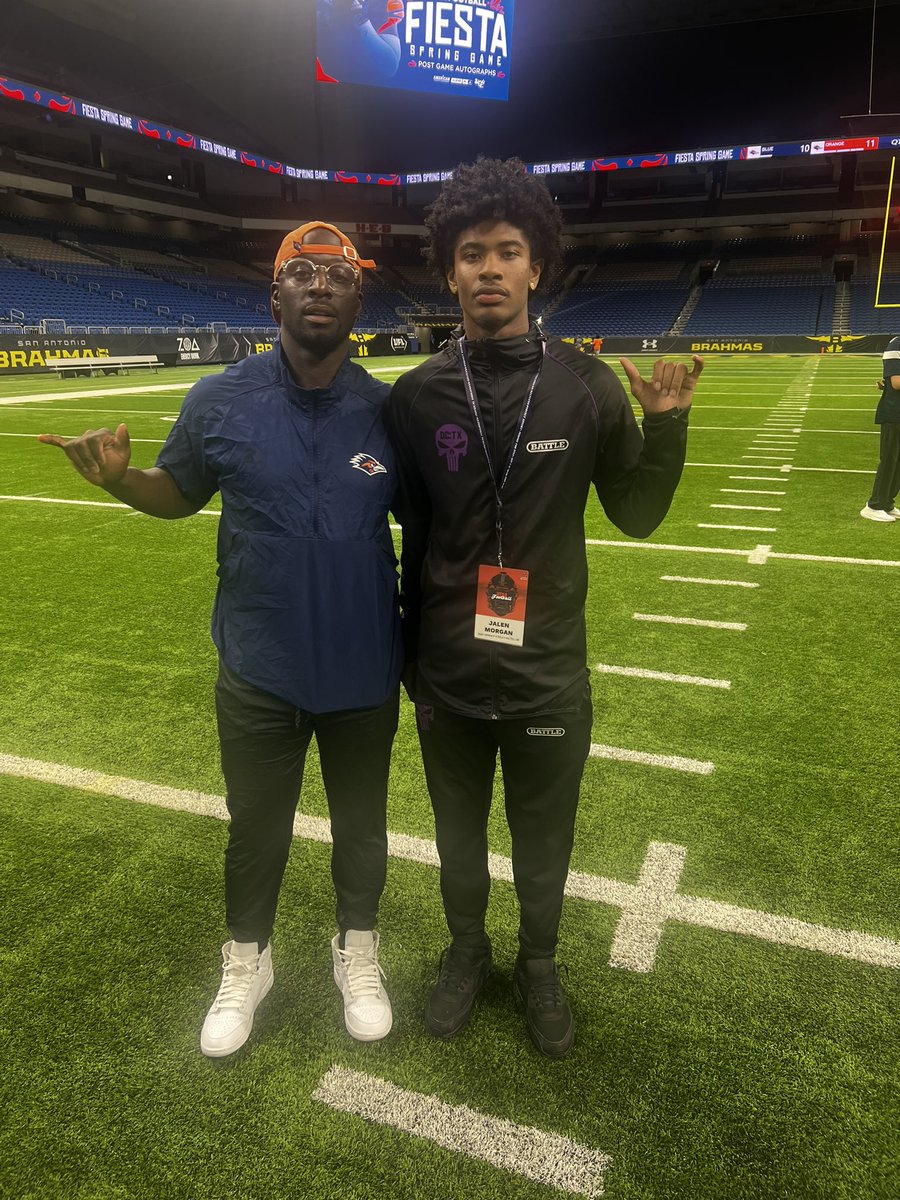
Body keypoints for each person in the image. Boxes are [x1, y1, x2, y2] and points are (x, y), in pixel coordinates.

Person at [40, 222, 402, 1057]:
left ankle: (358, 949)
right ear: (274, 296)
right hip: (259, 665)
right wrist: (123, 480)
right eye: (301, 274)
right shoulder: (218, 399)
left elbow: (428, 528)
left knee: (363, 824)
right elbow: (181, 495)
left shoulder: (393, 412)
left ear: (359, 298)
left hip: (363, 664)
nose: (319, 287)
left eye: (338, 276)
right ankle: (248, 959)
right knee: (256, 827)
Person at [387, 157, 703, 1059]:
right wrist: (413, 656)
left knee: (542, 840)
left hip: (549, 672)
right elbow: (412, 528)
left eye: (508, 251)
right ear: (450, 272)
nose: (489, 268)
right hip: (446, 667)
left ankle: (538, 965)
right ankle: (465, 954)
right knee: (456, 838)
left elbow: (636, 516)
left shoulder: (587, 386)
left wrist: (669, 427)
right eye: (472, 253)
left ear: (536, 268)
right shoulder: (417, 397)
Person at [859, 333, 900, 522]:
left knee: (898, 462)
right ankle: (874, 505)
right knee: (889, 459)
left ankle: (886, 503)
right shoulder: (896, 344)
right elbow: (897, 382)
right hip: (894, 413)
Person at [316, 0, 404, 86]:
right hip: (333, 85)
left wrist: (361, 22)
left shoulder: (381, 4)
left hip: (374, 90)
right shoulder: (323, 7)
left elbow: (390, 67)